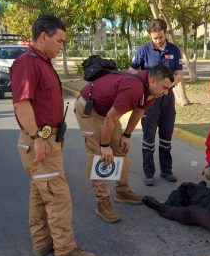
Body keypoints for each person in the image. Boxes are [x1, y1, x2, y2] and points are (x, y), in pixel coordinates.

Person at [11, 15, 96, 256]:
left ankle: (42, 243)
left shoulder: (43, 62)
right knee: (58, 198)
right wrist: (37, 137)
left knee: (40, 195)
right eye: (59, 41)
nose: (61, 46)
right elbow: (22, 103)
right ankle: (66, 250)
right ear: (44, 36)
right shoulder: (28, 63)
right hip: (39, 141)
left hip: (47, 140)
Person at [74, 65, 174, 223]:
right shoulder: (134, 87)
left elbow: (139, 111)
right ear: (153, 81)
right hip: (89, 110)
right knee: (99, 157)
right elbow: (112, 118)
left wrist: (126, 135)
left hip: (107, 113)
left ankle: (122, 190)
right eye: (165, 88)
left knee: (121, 148)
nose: (166, 92)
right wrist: (105, 146)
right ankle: (102, 202)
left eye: (169, 89)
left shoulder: (151, 90)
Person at [130, 18, 183, 186]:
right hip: (150, 100)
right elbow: (133, 70)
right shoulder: (144, 50)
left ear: (166, 32)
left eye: (160, 37)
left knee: (166, 137)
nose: (158, 41)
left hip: (167, 99)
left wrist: (167, 87)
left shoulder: (174, 50)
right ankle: (149, 173)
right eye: (155, 38)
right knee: (149, 138)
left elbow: (179, 74)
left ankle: (166, 171)